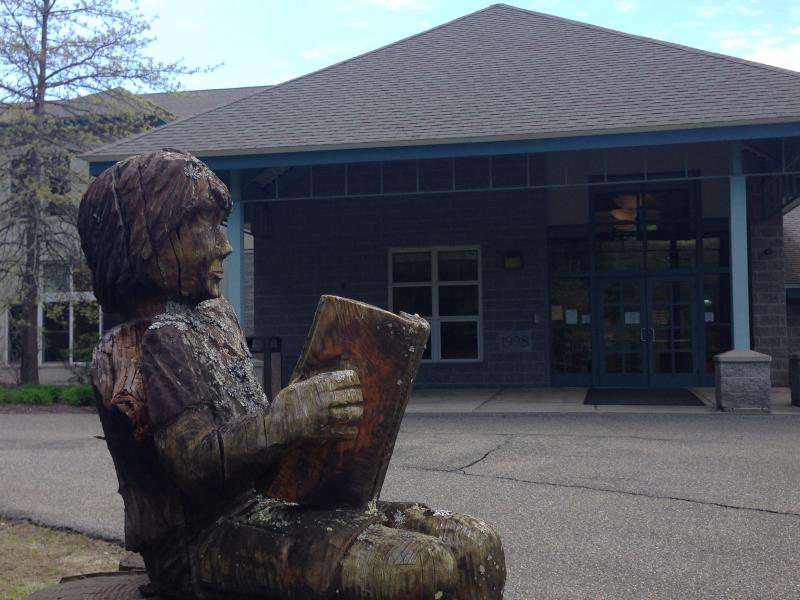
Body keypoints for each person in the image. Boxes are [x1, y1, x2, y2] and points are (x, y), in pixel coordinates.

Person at [78, 149, 505, 599]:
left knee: (473, 541)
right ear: (149, 239)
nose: (224, 244)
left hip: (269, 505)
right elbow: (196, 464)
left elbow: (256, 439)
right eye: (204, 226)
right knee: (416, 565)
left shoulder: (214, 319)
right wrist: (287, 418)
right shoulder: (139, 344)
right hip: (201, 542)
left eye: (222, 225)